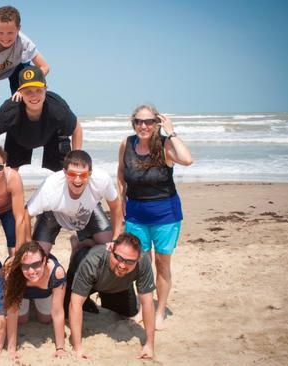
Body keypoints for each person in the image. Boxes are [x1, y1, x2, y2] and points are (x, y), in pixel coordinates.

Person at [117, 104, 193, 329]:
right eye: (139, 121)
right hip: (135, 213)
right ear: (133, 124)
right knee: (141, 263)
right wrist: (122, 198)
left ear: (156, 124)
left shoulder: (166, 145)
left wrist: (171, 131)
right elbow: (121, 172)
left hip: (165, 214)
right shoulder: (126, 144)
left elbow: (187, 160)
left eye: (149, 121)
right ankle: (144, 308)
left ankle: (160, 311)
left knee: (161, 263)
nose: (144, 125)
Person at [66, 233, 156, 359]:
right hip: (84, 269)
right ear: (110, 249)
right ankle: (79, 245)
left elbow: (148, 302)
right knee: (67, 310)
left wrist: (149, 345)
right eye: (118, 257)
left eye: (130, 261)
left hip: (117, 284)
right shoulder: (92, 261)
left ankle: (101, 296)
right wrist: (78, 347)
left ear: (138, 258)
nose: (122, 264)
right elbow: (75, 304)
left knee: (128, 312)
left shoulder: (143, 261)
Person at [25, 150, 123, 255]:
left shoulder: (101, 180)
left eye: (83, 175)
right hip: (54, 212)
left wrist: (115, 238)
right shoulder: (50, 186)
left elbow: (116, 206)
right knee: (39, 254)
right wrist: (28, 244)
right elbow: (25, 215)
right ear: (64, 172)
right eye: (72, 174)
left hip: (87, 209)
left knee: (108, 247)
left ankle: (81, 243)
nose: (77, 180)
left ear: (90, 173)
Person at [0, 65, 83, 172]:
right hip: (18, 136)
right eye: (28, 91)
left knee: (65, 171)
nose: (34, 95)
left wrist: (76, 159)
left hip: (52, 136)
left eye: (38, 90)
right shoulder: (11, 108)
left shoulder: (56, 106)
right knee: (8, 173)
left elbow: (77, 129)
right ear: (20, 92)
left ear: (45, 89)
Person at [3, 241, 67, 359]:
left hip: (44, 291)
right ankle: (28, 303)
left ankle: (35, 304)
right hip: (22, 291)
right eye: (26, 266)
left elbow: (57, 311)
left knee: (45, 319)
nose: (31, 271)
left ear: (44, 260)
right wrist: (11, 349)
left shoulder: (56, 272)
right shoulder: (11, 270)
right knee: (21, 320)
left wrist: (60, 348)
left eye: (36, 264)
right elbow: (12, 311)